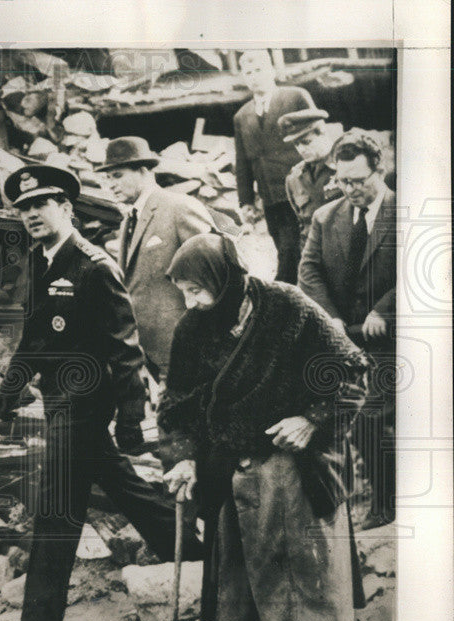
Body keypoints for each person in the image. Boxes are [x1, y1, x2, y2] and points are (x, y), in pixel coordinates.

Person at [0, 164, 202, 621]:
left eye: (41, 205)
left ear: (66, 208)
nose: (31, 216)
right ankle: (198, 551)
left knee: (55, 511)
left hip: (85, 405)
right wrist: (8, 394)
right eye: (23, 209)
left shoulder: (93, 265)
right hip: (59, 400)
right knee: (124, 486)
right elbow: (37, 336)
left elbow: (125, 348)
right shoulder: (41, 261)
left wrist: (130, 418)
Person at [158, 232, 369, 621]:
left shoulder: (286, 307)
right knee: (250, 557)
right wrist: (182, 456)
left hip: (292, 460)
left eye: (196, 291)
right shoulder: (193, 329)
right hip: (230, 463)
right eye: (184, 293)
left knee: (298, 553)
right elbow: (177, 401)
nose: (191, 303)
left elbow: (350, 371)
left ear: (225, 279)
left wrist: (312, 419)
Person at [299, 129, 397, 524]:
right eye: (343, 181)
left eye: (360, 181)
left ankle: (387, 504)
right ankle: (373, 499)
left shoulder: (405, 211)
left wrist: (385, 311)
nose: (351, 189)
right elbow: (308, 271)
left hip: (395, 337)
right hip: (346, 340)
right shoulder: (326, 217)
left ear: (380, 169)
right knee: (355, 418)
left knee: (377, 415)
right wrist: (330, 319)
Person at [97, 136, 216, 380]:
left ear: (143, 171)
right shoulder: (129, 221)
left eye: (117, 176)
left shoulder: (178, 207)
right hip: (149, 352)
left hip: (187, 348)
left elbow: (215, 272)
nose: (111, 184)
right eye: (107, 178)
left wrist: (206, 338)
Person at [233, 49, 316, 284]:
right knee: (284, 248)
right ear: (243, 77)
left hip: (303, 192)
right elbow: (242, 161)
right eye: (248, 72)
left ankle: (284, 292)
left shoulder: (295, 97)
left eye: (259, 70)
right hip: (271, 199)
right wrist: (246, 200)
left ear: (271, 71)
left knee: (297, 253)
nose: (254, 76)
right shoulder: (242, 116)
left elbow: (318, 136)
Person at [279, 108, 344, 250]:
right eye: (296, 144)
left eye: (306, 142)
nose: (301, 149)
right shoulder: (294, 178)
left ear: (322, 133)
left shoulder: (345, 166)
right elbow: (302, 224)